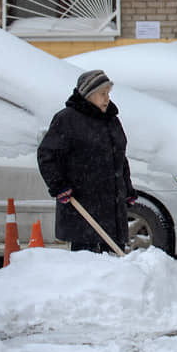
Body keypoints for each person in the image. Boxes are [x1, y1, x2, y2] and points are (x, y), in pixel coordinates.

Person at [37, 69, 137, 253]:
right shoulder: (67, 119)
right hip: (83, 206)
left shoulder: (111, 120)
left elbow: (119, 159)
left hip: (111, 208)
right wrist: (59, 186)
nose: (107, 99)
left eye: (108, 94)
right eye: (102, 94)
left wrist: (127, 189)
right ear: (89, 95)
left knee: (114, 264)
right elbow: (47, 155)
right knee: (88, 264)